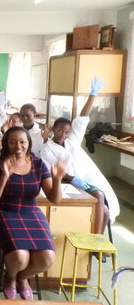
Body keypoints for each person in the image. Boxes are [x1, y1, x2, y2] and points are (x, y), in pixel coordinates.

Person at [0, 126, 65, 300]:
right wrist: (5, 176)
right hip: (2, 211)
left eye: (22, 142)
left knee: (47, 258)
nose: (18, 146)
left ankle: (22, 277)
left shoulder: (38, 164)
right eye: (12, 142)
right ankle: (10, 278)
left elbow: (54, 199)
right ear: (6, 144)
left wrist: (57, 180)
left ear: (29, 143)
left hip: (30, 212)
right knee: (20, 256)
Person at [40, 77, 120, 233]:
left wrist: (93, 95)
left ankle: (97, 241)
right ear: (53, 129)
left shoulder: (72, 140)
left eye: (67, 132)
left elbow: (82, 118)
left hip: (83, 180)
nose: (63, 134)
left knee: (105, 210)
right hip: (66, 183)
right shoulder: (47, 149)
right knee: (98, 195)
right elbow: (50, 173)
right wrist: (72, 178)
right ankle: (95, 239)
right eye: (60, 131)